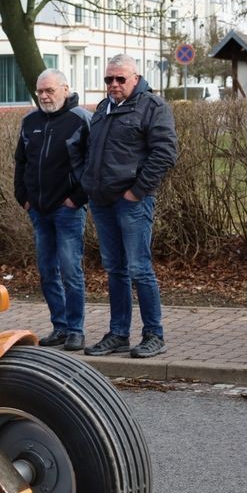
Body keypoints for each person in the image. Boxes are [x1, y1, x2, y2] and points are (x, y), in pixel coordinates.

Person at [81, 54, 177, 359]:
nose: (113, 84)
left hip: (132, 202)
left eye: (120, 78)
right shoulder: (102, 108)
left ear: (135, 78)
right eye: (109, 79)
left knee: (139, 269)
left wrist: (136, 192)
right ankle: (118, 334)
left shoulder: (152, 107)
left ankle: (154, 335)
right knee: (115, 270)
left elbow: (165, 153)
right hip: (102, 201)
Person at [14, 69, 91, 352]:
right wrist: (23, 197)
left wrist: (77, 198)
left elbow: (93, 164)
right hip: (39, 210)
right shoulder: (30, 121)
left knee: (71, 270)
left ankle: (76, 330)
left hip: (68, 210)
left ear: (65, 89)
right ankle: (59, 326)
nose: (45, 96)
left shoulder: (81, 119)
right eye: (40, 91)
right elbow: (20, 162)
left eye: (50, 91)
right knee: (47, 270)